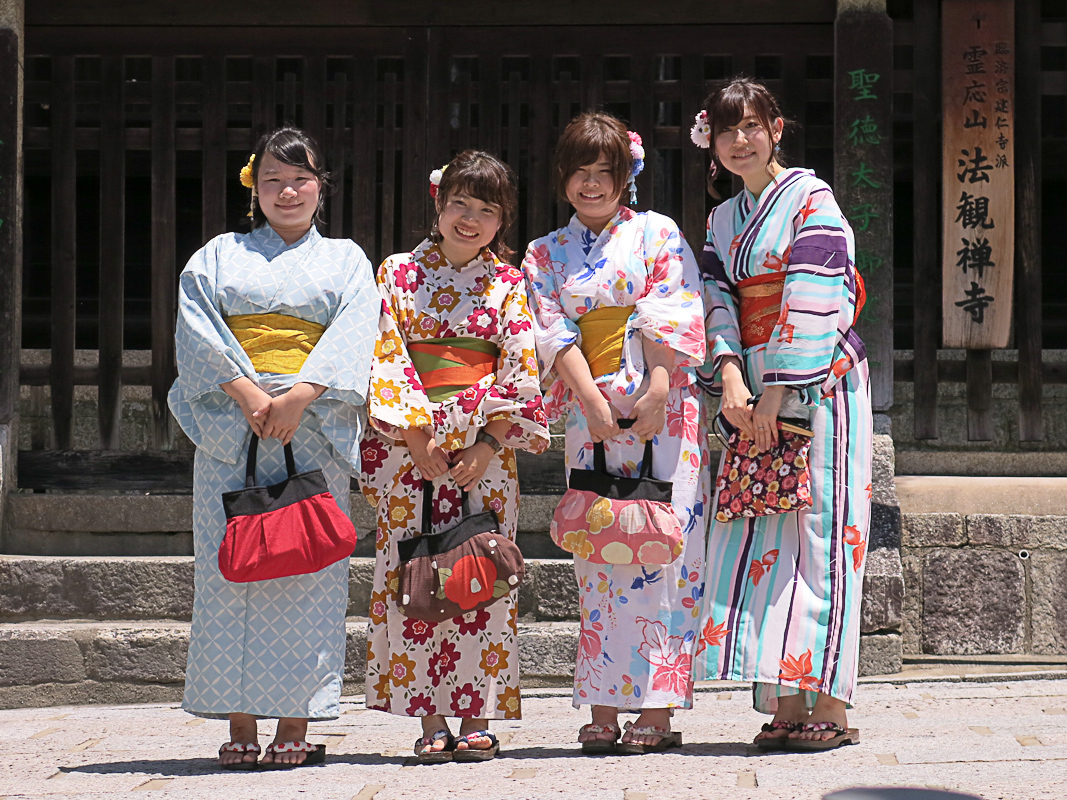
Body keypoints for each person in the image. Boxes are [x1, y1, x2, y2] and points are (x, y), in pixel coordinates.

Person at [169, 126, 378, 768]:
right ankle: (239, 725)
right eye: (272, 181)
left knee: (309, 570)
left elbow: (356, 325)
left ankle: (295, 725)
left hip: (309, 427)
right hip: (236, 428)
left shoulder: (346, 259)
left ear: (322, 187)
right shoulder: (218, 255)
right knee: (228, 569)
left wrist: (300, 395)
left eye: (300, 179)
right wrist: (249, 395)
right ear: (254, 190)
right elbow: (197, 326)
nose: (287, 192)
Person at [692, 77, 872, 751]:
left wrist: (780, 389)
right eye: (725, 129)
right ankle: (785, 699)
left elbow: (816, 287)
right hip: (751, 384)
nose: (739, 140)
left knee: (822, 532)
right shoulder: (720, 220)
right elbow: (714, 298)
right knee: (766, 534)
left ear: (775, 129)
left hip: (818, 380)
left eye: (751, 127)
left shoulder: (808, 197)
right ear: (710, 141)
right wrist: (732, 378)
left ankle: (829, 701)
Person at [523, 112, 709, 755]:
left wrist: (659, 388)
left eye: (606, 172)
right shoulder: (545, 252)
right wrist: (590, 403)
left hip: (666, 409)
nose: (592, 184)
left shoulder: (657, 233)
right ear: (563, 178)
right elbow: (551, 328)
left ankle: (656, 711)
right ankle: (603, 706)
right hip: (589, 411)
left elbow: (674, 306)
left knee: (666, 553)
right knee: (599, 553)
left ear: (627, 175)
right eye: (581, 172)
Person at [359, 150, 549, 763]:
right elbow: (384, 354)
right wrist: (416, 438)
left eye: (487, 210)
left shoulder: (510, 283)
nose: (470, 219)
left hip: (484, 457)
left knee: (481, 574)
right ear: (438, 206)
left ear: (503, 221)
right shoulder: (397, 274)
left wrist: (489, 443)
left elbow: (521, 366)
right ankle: (430, 719)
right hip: (407, 450)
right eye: (460, 205)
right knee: (412, 575)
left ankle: (477, 714)